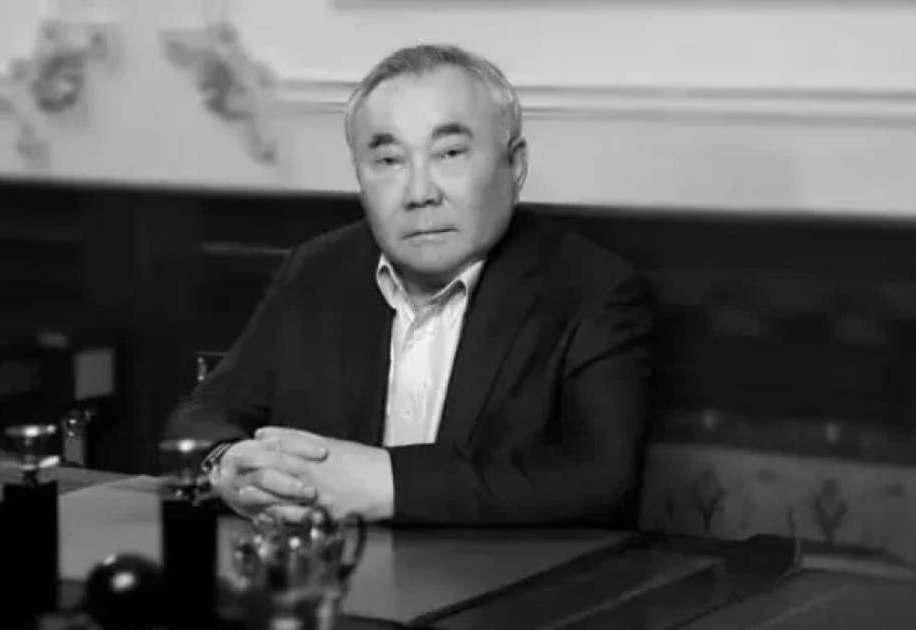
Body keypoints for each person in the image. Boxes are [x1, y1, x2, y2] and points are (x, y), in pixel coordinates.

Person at [166, 44, 652, 526]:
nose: (420, 193)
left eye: (450, 154)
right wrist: (228, 464)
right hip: (332, 564)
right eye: (390, 161)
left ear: (515, 165)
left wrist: (390, 483)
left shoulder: (593, 289)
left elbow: (599, 479)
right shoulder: (318, 269)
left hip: (501, 575)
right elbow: (202, 415)